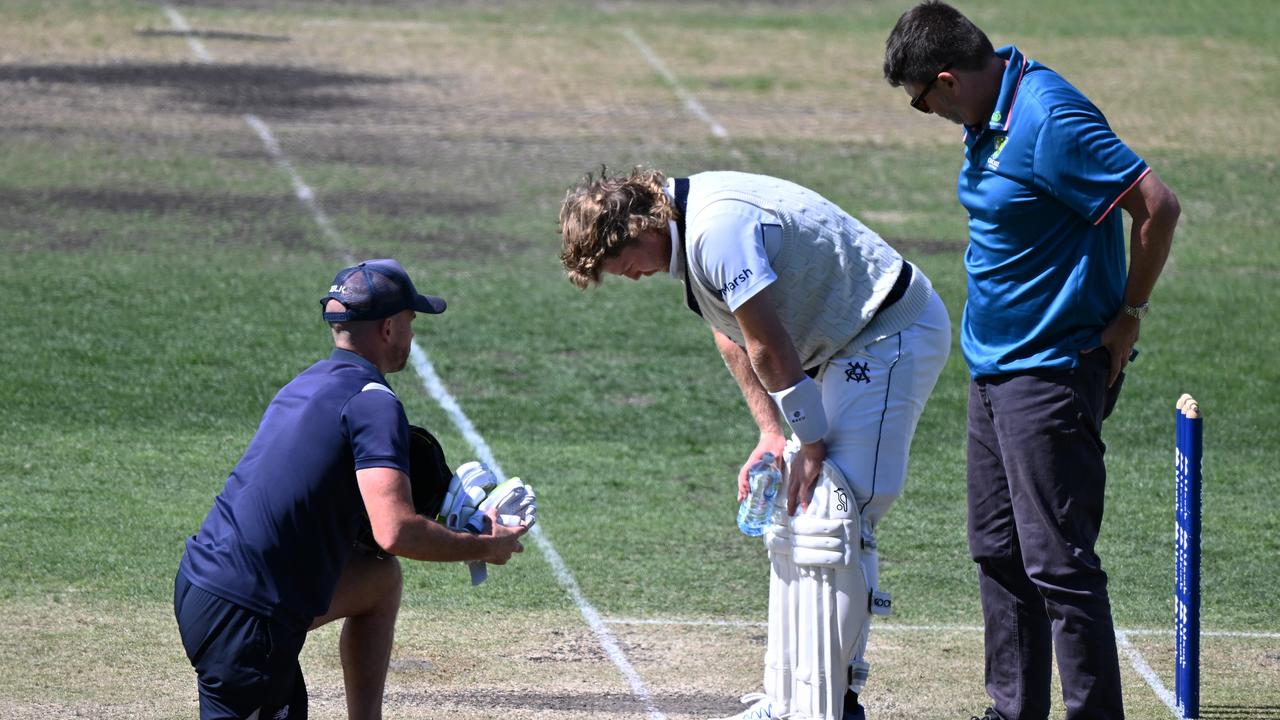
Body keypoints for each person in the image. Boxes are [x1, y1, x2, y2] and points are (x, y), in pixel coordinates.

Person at [559, 168, 951, 720]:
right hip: (840, 346)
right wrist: (773, 432)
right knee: (791, 515)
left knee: (836, 515)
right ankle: (788, 701)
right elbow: (733, 332)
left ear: (640, 229)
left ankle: (834, 705)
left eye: (619, 265)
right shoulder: (684, 228)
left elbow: (766, 344)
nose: (626, 277)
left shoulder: (715, 231)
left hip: (887, 333)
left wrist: (810, 443)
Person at [882, 4, 1181, 720]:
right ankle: (1013, 710)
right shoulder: (989, 110)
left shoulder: (1048, 119)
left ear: (947, 80)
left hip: (1050, 371)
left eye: (921, 100)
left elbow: (1156, 206)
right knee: (996, 550)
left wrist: (1128, 315)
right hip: (994, 370)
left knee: (1058, 564)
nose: (924, 113)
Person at [173, 258, 529, 720]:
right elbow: (394, 532)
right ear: (387, 328)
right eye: (410, 321)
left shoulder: (307, 384)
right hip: (246, 618)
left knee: (378, 580)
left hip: (204, 586)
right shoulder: (374, 403)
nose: (412, 335)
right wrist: (482, 546)